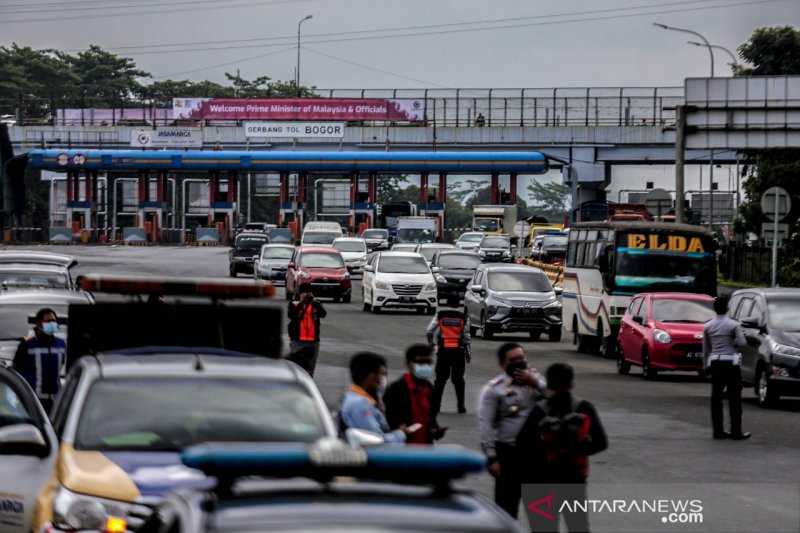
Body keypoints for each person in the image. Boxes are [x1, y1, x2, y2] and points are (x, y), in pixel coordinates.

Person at [516, 363, 608, 533]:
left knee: (543, 528)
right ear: (571, 384)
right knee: (578, 527)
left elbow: (522, 445)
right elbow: (601, 442)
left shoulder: (539, 411)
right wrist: (578, 449)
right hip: (573, 480)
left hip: (539, 482)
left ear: (548, 384)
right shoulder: (583, 408)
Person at [478, 342, 546, 518]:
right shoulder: (494, 389)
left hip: (536, 454)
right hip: (508, 454)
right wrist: (491, 458)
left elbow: (557, 397)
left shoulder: (537, 381)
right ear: (503, 364)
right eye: (513, 360)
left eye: (522, 358)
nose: (519, 363)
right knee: (506, 511)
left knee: (543, 512)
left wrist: (535, 382)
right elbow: (485, 426)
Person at [703, 296, 750, 440]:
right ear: (728, 308)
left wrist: (705, 367)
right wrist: (733, 341)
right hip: (731, 363)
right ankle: (736, 432)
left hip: (716, 363)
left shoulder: (708, 326)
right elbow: (742, 342)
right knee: (734, 397)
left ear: (714, 309)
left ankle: (718, 431)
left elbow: (706, 349)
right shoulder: (734, 325)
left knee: (716, 398)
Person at [339, 352, 412, 444]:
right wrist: (400, 434)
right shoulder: (359, 404)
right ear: (371, 376)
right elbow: (377, 440)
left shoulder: (354, 397)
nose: (383, 380)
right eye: (382, 374)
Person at [384, 344, 447, 444]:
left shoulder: (431, 390)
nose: (425, 366)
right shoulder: (395, 390)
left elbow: (431, 418)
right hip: (401, 449)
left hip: (425, 450)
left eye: (428, 362)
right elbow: (385, 419)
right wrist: (397, 428)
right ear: (408, 363)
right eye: (420, 362)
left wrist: (435, 430)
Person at [13, 308, 66, 413]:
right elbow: (17, 371)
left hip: (55, 402)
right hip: (34, 402)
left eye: (53, 321)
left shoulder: (61, 344)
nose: (52, 324)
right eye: (48, 321)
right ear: (38, 324)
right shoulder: (27, 345)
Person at [427, 296, 471, 414]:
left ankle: (436, 406)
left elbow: (429, 331)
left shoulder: (440, 315)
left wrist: (432, 344)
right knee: (458, 380)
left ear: (447, 303)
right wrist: (468, 353)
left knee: (440, 380)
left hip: (443, 351)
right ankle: (460, 406)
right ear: (459, 305)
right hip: (458, 351)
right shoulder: (464, 317)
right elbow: (466, 337)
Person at [287, 284, 327, 376]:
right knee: (297, 368)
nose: (306, 295)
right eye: (304, 293)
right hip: (297, 341)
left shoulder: (315, 304)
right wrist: (302, 304)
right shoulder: (294, 304)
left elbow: (323, 314)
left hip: (313, 342)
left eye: (308, 293)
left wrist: (316, 304)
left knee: (310, 369)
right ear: (300, 294)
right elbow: (292, 316)